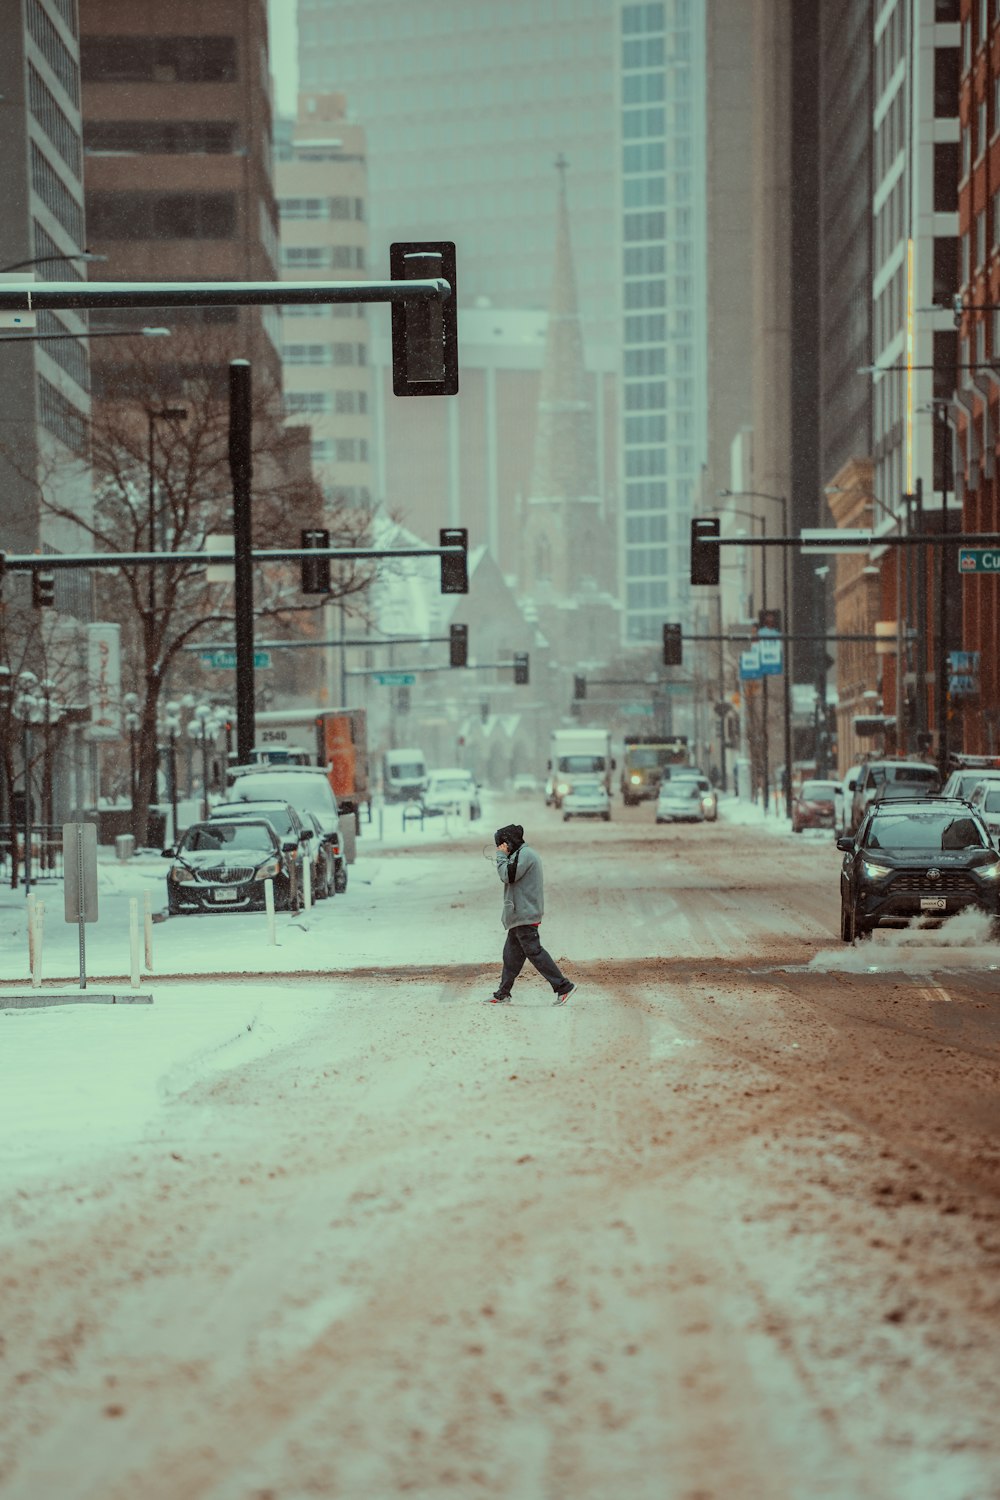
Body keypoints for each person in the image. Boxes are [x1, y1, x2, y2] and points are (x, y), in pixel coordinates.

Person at [490, 823, 576, 1005]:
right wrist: (505, 856)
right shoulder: (520, 854)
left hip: (524, 913)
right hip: (518, 914)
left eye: (501, 844)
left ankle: (563, 986)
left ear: (509, 841)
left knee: (534, 952)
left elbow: (507, 876)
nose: (500, 848)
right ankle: (503, 993)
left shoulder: (526, 855)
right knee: (510, 956)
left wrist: (500, 856)